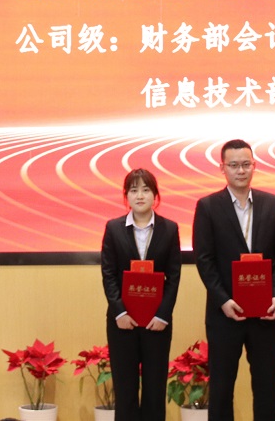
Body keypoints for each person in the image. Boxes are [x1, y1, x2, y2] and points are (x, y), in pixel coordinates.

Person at [193, 138, 275, 421]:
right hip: (225, 315)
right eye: (234, 165)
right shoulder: (208, 206)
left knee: (266, 387)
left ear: (254, 166)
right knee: (222, 388)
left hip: (265, 313)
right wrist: (223, 300)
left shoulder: (271, 204)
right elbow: (205, 260)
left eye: (246, 164)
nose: (240, 170)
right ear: (222, 168)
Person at [101, 168, 182, 421]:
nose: (140, 195)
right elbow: (108, 274)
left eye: (146, 190)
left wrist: (163, 315)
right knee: (125, 391)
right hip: (122, 323)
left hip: (156, 323)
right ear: (126, 195)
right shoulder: (113, 228)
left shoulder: (169, 229)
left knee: (154, 391)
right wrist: (120, 312)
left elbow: (174, 276)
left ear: (155, 195)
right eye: (134, 190)